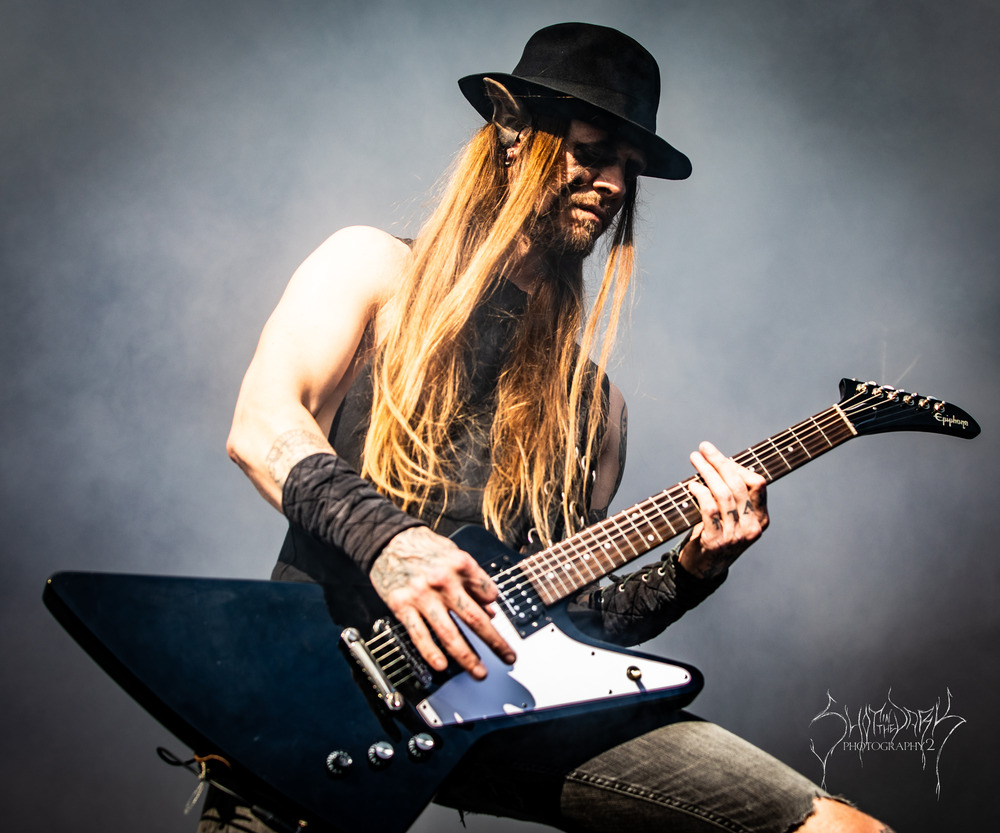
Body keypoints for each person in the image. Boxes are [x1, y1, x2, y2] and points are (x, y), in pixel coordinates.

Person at [208, 22, 893, 833]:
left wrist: (692, 569)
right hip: (318, 691)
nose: (614, 184)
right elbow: (262, 424)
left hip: (495, 706)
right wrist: (392, 544)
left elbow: (569, 618)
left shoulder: (596, 407)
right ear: (512, 140)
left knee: (840, 828)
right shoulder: (372, 269)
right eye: (592, 151)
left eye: (629, 168)